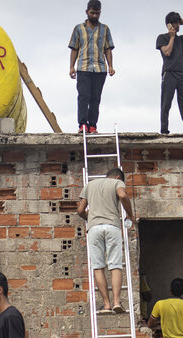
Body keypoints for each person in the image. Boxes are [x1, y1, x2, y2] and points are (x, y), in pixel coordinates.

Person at [77, 167, 134, 314]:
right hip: (112, 226)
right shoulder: (116, 183)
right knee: (115, 265)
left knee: (98, 266)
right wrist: (130, 214)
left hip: (94, 229)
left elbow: (80, 211)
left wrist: (90, 217)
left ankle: (106, 304)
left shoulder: (90, 185)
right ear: (117, 177)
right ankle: (116, 302)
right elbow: (122, 195)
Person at [68, 0, 115, 134]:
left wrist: (111, 66)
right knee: (84, 96)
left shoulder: (105, 29)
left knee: (95, 98)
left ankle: (93, 125)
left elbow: (108, 49)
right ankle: (82, 124)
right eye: (92, 13)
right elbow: (74, 49)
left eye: (97, 13)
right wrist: (71, 67)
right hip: (83, 67)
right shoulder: (78, 28)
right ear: (87, 12)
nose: (94, 16)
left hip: (100, 68)